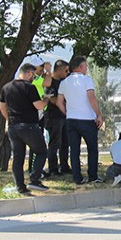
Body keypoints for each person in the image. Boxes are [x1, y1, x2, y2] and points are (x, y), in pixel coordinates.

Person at [0, 63, 51, 195]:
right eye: (33, 75)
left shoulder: (6, 87)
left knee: (18, 157)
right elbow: (39, 106)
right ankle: (34, 179)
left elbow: (2, 107)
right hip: (29, 125)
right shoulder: (29, 87)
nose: (34, 78)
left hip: (13, 127)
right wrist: (46, 100)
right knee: (41, 151)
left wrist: (9, 119)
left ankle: (20, 187)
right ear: (29, 73)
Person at [57, 56, 104, 185]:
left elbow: (59, 102)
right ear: (81, 67)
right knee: (92, 148)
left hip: (71, 119)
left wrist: (67, 113)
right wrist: (98, 114)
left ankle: (77, 177)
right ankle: (92, 175)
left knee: (74, 150)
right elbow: (91, 98)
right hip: (86, 119)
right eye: (86, 66)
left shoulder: (64, 82)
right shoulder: (86, 80)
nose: (86, 68)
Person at [44, 60, 72, 176]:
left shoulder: (64, 82)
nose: (67, 73)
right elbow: (54, 100)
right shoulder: (50, 82)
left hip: (64, 116)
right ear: (59, 70)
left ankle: (64, 166)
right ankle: (53, 168)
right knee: (55, 143)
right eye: (66, 70)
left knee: (65, 143)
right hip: (54, 117)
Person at [27, 56, 52, 174]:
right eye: (41, 66)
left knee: (40, 140)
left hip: (41, 113)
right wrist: (48, 71)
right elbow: (47, 82)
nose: (42, 68)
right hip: (36, 112)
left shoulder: (37, 77)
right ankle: (33, 168)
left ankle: (38, 167)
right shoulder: (34, 78)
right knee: (35, 142)